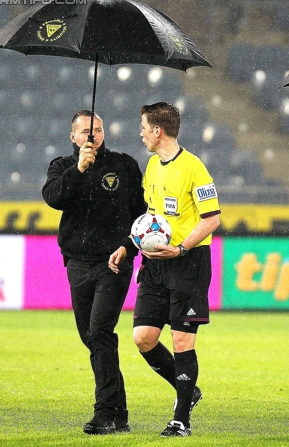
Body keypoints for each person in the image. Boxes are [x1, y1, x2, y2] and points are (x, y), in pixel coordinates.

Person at [109, 102, 221, 437]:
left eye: (144, 126)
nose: (140, 132)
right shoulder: (154, 166)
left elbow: (212, 218)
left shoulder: (194, 167)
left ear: (158, 131)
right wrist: (128, 247)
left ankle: (181, 420)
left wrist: (183, 246)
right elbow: (151, 218)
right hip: (155, 265)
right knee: (143, 338)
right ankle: (189, 392)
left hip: (188, 263)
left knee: (182, 340)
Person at [42, 110, 146, 435]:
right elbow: (53, 198)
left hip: (113, 262)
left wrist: (130, 247)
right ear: (72, 136)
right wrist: (79, 169)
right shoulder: (61, 167)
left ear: (104, 133)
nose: (93, 136)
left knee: (100, 332)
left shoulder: (124, 165)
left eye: (98, 130)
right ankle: (120, 412)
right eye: (86, 131)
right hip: (76, 262)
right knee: (92, 338)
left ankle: (105, 414)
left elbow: (142, 214)